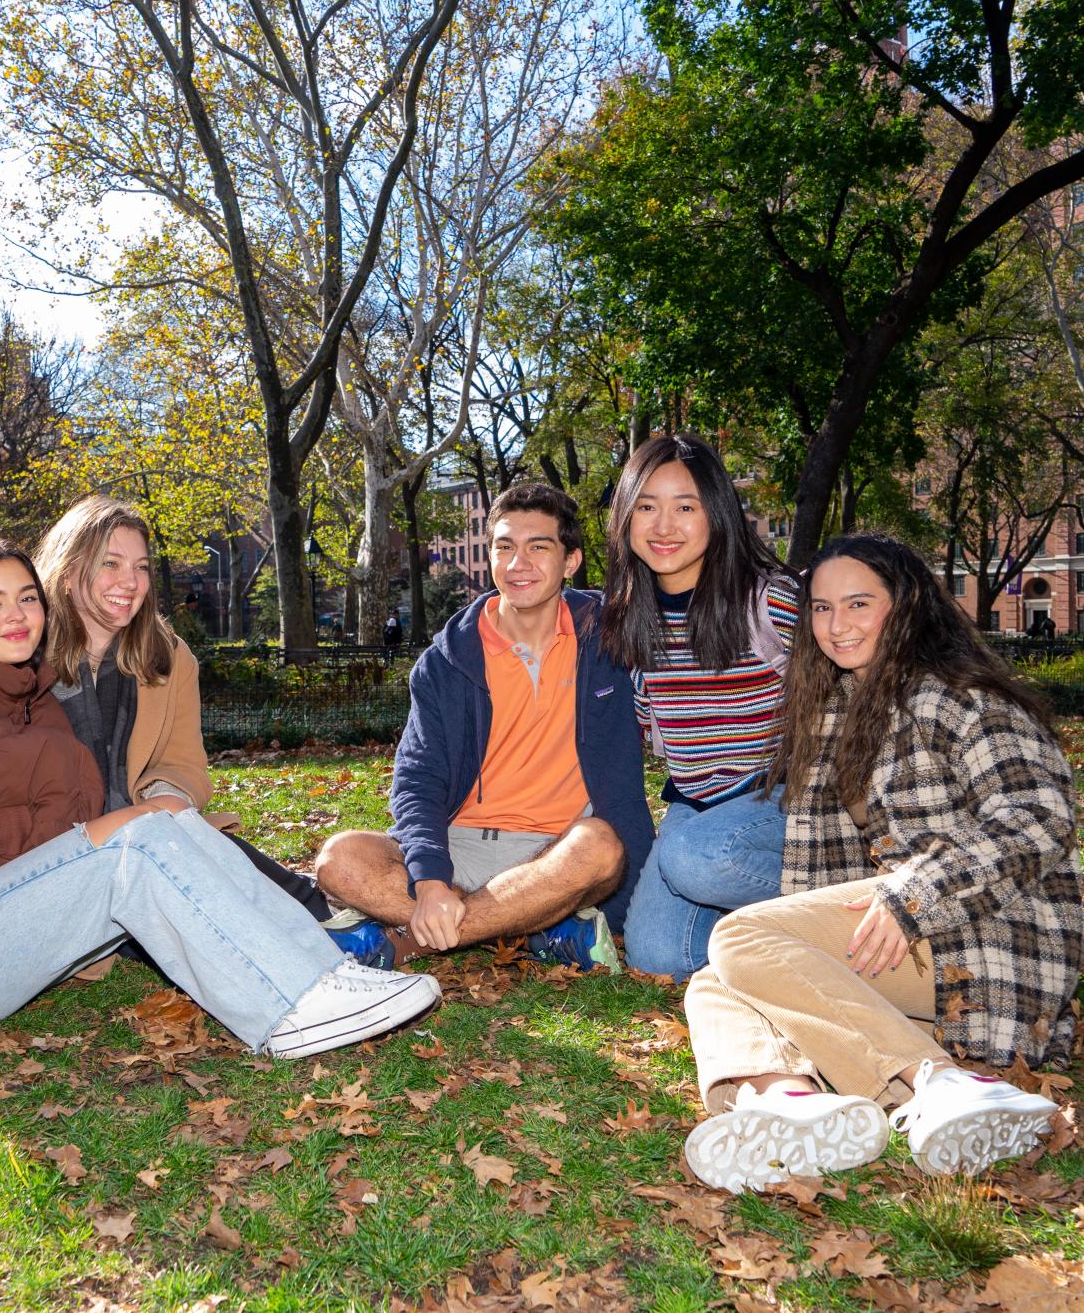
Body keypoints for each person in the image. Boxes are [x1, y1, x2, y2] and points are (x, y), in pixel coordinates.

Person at [0, 536, 440, 1058]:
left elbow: (72, 812)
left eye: (26, 598)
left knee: (166, 825)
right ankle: (292, 1009)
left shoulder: (26, 698)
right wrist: (81, 836)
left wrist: (106, 825)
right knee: (139, 839)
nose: (17, 615)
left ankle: (329, 973)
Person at [681, 534, 1077, 1192]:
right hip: (905, 953)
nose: (837, 625)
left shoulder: (960, 694)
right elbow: (818, 875)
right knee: (719, 976)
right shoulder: (833, 712)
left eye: (859, 603)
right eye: (821, 608)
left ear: (906, 606)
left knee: (740, 938)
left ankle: (939, 1084)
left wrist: (912, 893)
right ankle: (791, 1105)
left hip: (988, 940)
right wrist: (797, 963)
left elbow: (1038, 819)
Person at [315, 482, 655, 971]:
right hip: (461, 844)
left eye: (539, 547)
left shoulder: (613, 641)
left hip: (558, 850)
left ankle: (404, 941)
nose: (519, 563)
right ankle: (538, 928)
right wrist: (431, 880)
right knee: (339, 859)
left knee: (600, 847)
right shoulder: (447, 662)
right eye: (505, 547)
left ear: (571, 560)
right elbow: (418, 779)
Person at [34, 497, 330, 923]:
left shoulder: (168, 656)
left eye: (141, 567)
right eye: (111, 564)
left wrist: (161, 803)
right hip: (61, 846)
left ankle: (320, 916)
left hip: (150, 830)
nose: (131, 583)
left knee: (236, 871)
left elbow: (183, 762)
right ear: (67, 572)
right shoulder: (25, 657)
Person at [601, 436, 797, 979]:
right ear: (625, 517)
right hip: (694, 806)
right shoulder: (632, 621)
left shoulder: (768, 601)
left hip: (779, 798)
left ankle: (834, 892)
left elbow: (847, 702)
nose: (664, 526)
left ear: (716, 513)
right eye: (646, 506)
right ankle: (778, 930)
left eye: (685, 506)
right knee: (658, 958)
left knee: (695, 857)